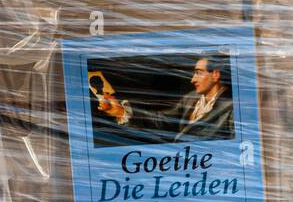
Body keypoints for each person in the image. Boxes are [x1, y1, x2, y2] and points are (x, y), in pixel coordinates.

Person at [97, 54, 235, 142]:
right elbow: (163, 121)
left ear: (216, 74)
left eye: (198, 73)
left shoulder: (232, 107)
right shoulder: (191, 98)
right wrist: (121, 112)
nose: (193, 79)